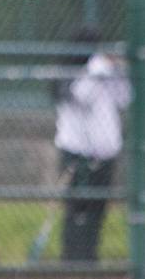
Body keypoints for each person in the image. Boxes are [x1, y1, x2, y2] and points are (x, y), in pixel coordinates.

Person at [53, 28, 131, 262]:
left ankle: (90, 257)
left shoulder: (105, 72)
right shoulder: (73, 73)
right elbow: (82, 97)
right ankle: (72, 258)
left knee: (98, 209)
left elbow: (125, 98)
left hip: (106, 153)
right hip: (77, 153)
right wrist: (99, 68)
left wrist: (118, 72)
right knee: (77, 208)